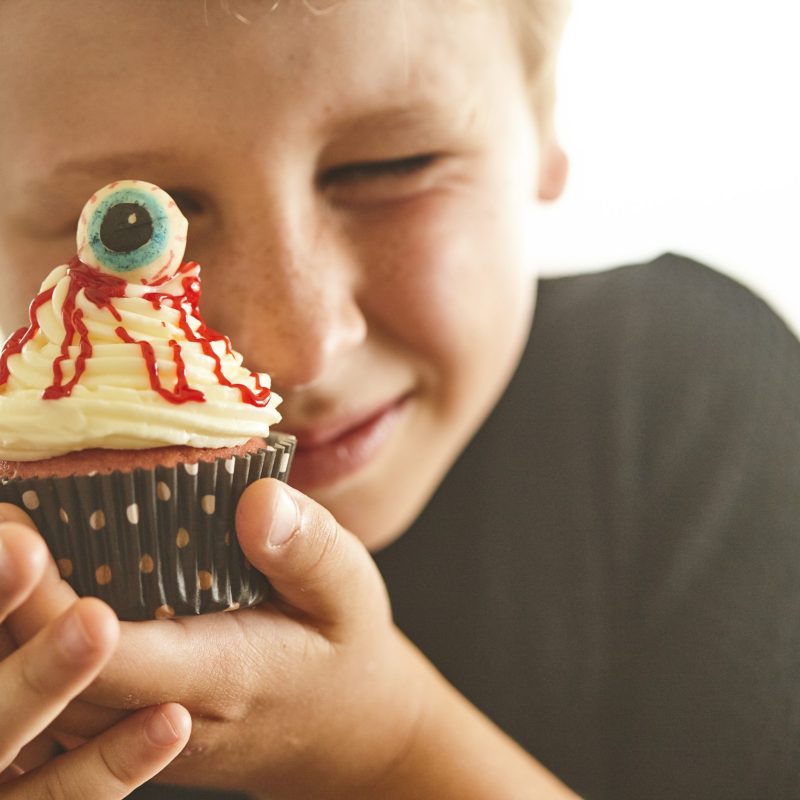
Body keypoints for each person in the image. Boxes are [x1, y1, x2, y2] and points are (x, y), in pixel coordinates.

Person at [0, 1, 798, 798]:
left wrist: (381, 746)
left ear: (543, 126)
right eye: (128, 224)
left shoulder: (685, 404)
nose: (299, 348)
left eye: (387, 167)